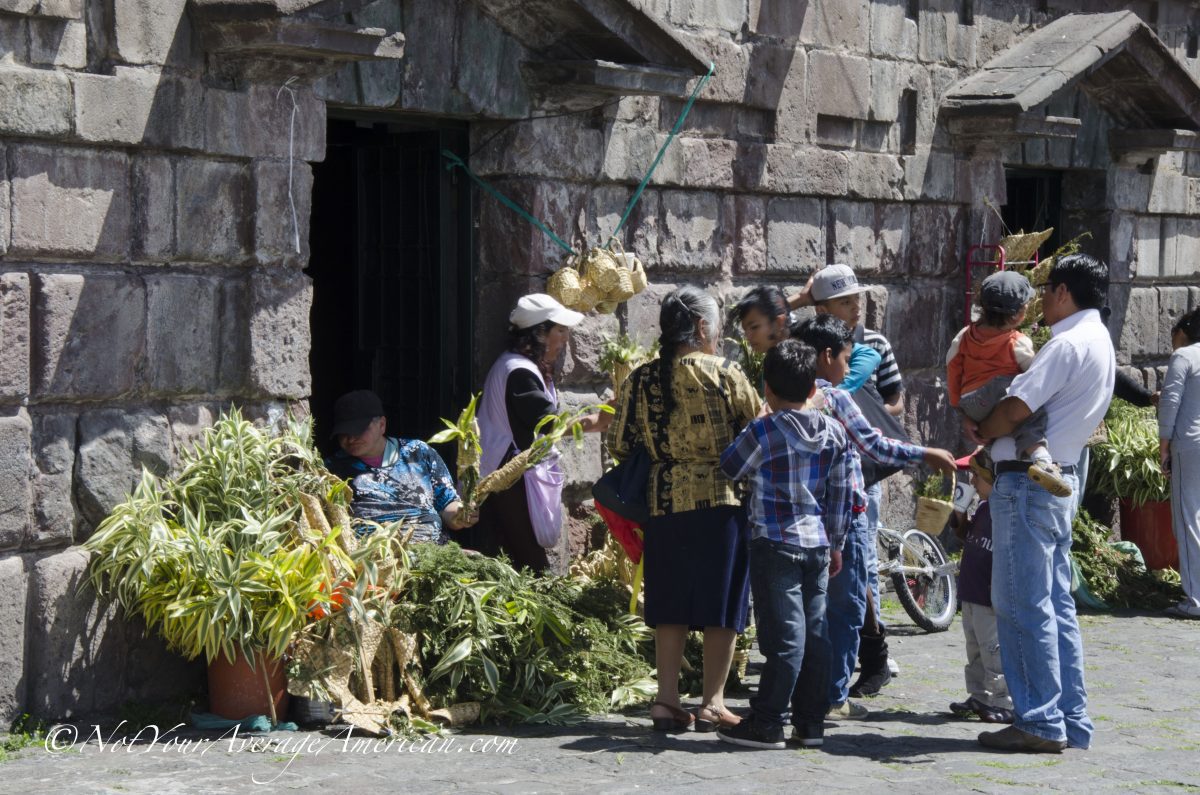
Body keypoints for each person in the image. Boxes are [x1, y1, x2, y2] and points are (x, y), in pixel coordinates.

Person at [968, 253, 1115, 753]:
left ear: (1064, 292)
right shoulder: (1098, 339)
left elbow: (1015, 409)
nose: (1042, 299)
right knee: (1053, 604)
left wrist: (984, 429)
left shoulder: (1066, 344)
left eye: (1047, 288)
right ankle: (1070, 718)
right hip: (1058, 476)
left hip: (1028, 484)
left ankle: (1039, 721)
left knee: (1020, 602)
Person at [607, 285, 761, 733]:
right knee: (722, 602)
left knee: (669, 602)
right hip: (723, 501)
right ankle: (713, 701)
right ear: (700, 326)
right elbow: (759, 431)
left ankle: (666, 701)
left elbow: (619, 444)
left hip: (664, 502)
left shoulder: (640, 378)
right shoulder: (726, 373)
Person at [795, 315, 957, 718]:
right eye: (846, 359)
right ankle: (832, 698)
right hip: (840, 525)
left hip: (793, 525)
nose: (849, 369)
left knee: (802, 610)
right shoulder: (833, 399)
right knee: (845, 606)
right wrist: (925, 454)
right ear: (827, 356)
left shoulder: (780, 398)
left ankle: (800, 693)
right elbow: (875, 446)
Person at [716, 340, 855, 749]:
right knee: (816, 634)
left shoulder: (764, 429)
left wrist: (756, 422)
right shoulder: (834, 431)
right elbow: (843, 492)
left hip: (774, 542)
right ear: (813, 389)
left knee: (783, 637)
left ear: (767, 390)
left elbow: (730, 465)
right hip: (817, 544)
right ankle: (810, 723)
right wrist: (836, 543)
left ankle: (768, 721)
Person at [791, 264, 905, 693]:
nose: (856, 307)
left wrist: (856, 410)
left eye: (857, 299)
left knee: (858, 570)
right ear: (822, 307)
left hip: (860, 474)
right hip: (816, 483)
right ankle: (839, 666)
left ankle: (868, 660)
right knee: (833, 576)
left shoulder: (872, 345)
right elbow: (762, 321)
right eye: (844, 301)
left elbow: (894, 401)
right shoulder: (804, 344)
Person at [474, 293, 611, 574]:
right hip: (507, 477)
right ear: (539, 334)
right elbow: (550, 423)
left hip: (511, 476)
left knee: (520, 556)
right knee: (529, 563)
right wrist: (595, 421)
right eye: (560, 330)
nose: (565, 339)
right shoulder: (518, 372)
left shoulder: (521, 367)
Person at [947, 270, 1070, 497]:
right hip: (997, 393)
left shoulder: (964, 335)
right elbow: (1035, 377)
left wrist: (961, 410)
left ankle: (985, 456)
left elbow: (953, 367)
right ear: (1017, 316)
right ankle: (1041, 458)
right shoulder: (1018, 342)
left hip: (971, 404)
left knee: (1002, 424)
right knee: (1026, 409)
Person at [326, 389, 476, 543]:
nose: (351, 438)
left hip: (432, 551)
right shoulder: (331, 470)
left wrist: (460, 514)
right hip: (375, 557)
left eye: (359, 430)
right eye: (344, 433)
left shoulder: (418, 452)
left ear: (382, 425)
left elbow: (446, 504)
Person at [948, 462, 1015, 724]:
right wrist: (959, 515)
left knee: (993, 649)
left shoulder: (1003, 511)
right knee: (974, 647)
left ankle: (1004, 701)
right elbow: (966, 535)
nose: (973, 481)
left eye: (978, 476)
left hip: (988, 593)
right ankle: (980, 694)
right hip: (971, 590)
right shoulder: (985, 506)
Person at [736, 285, 879, 393]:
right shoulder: (773, 359)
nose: (748, 336)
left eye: (754, 327)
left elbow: (870, 355)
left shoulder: (810, 337)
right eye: (745, 329)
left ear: (779, 322)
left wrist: (833, 395)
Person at [1159, 307, 1200, 620]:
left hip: (1189, 444)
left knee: (1187, 521)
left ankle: (1194, 599)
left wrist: (1164, 447)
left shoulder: (1184, 356)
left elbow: (1170, 403)